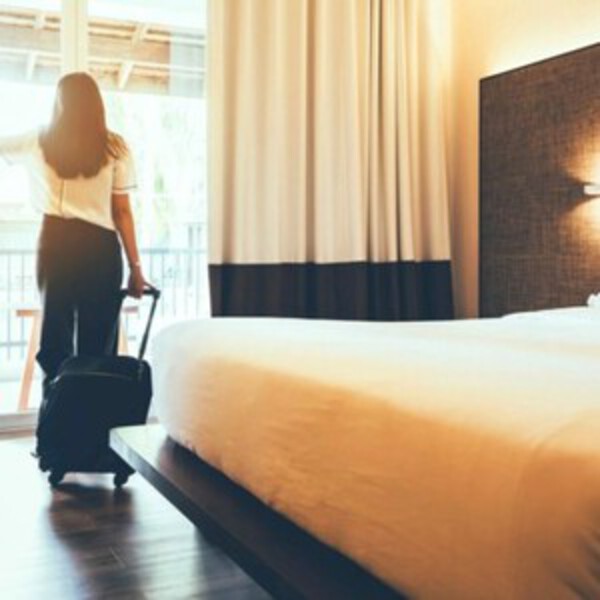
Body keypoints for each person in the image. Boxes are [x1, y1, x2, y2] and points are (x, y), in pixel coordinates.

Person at [0, 72, 149, 396]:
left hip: (55, 243)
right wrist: (136, 268)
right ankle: (94, 420)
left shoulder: (38, 141)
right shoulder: (115, 147)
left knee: (55, 338)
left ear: (59, 103)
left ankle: (55, 418)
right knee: (99, 342)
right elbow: (122, 212)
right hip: (100, 248)